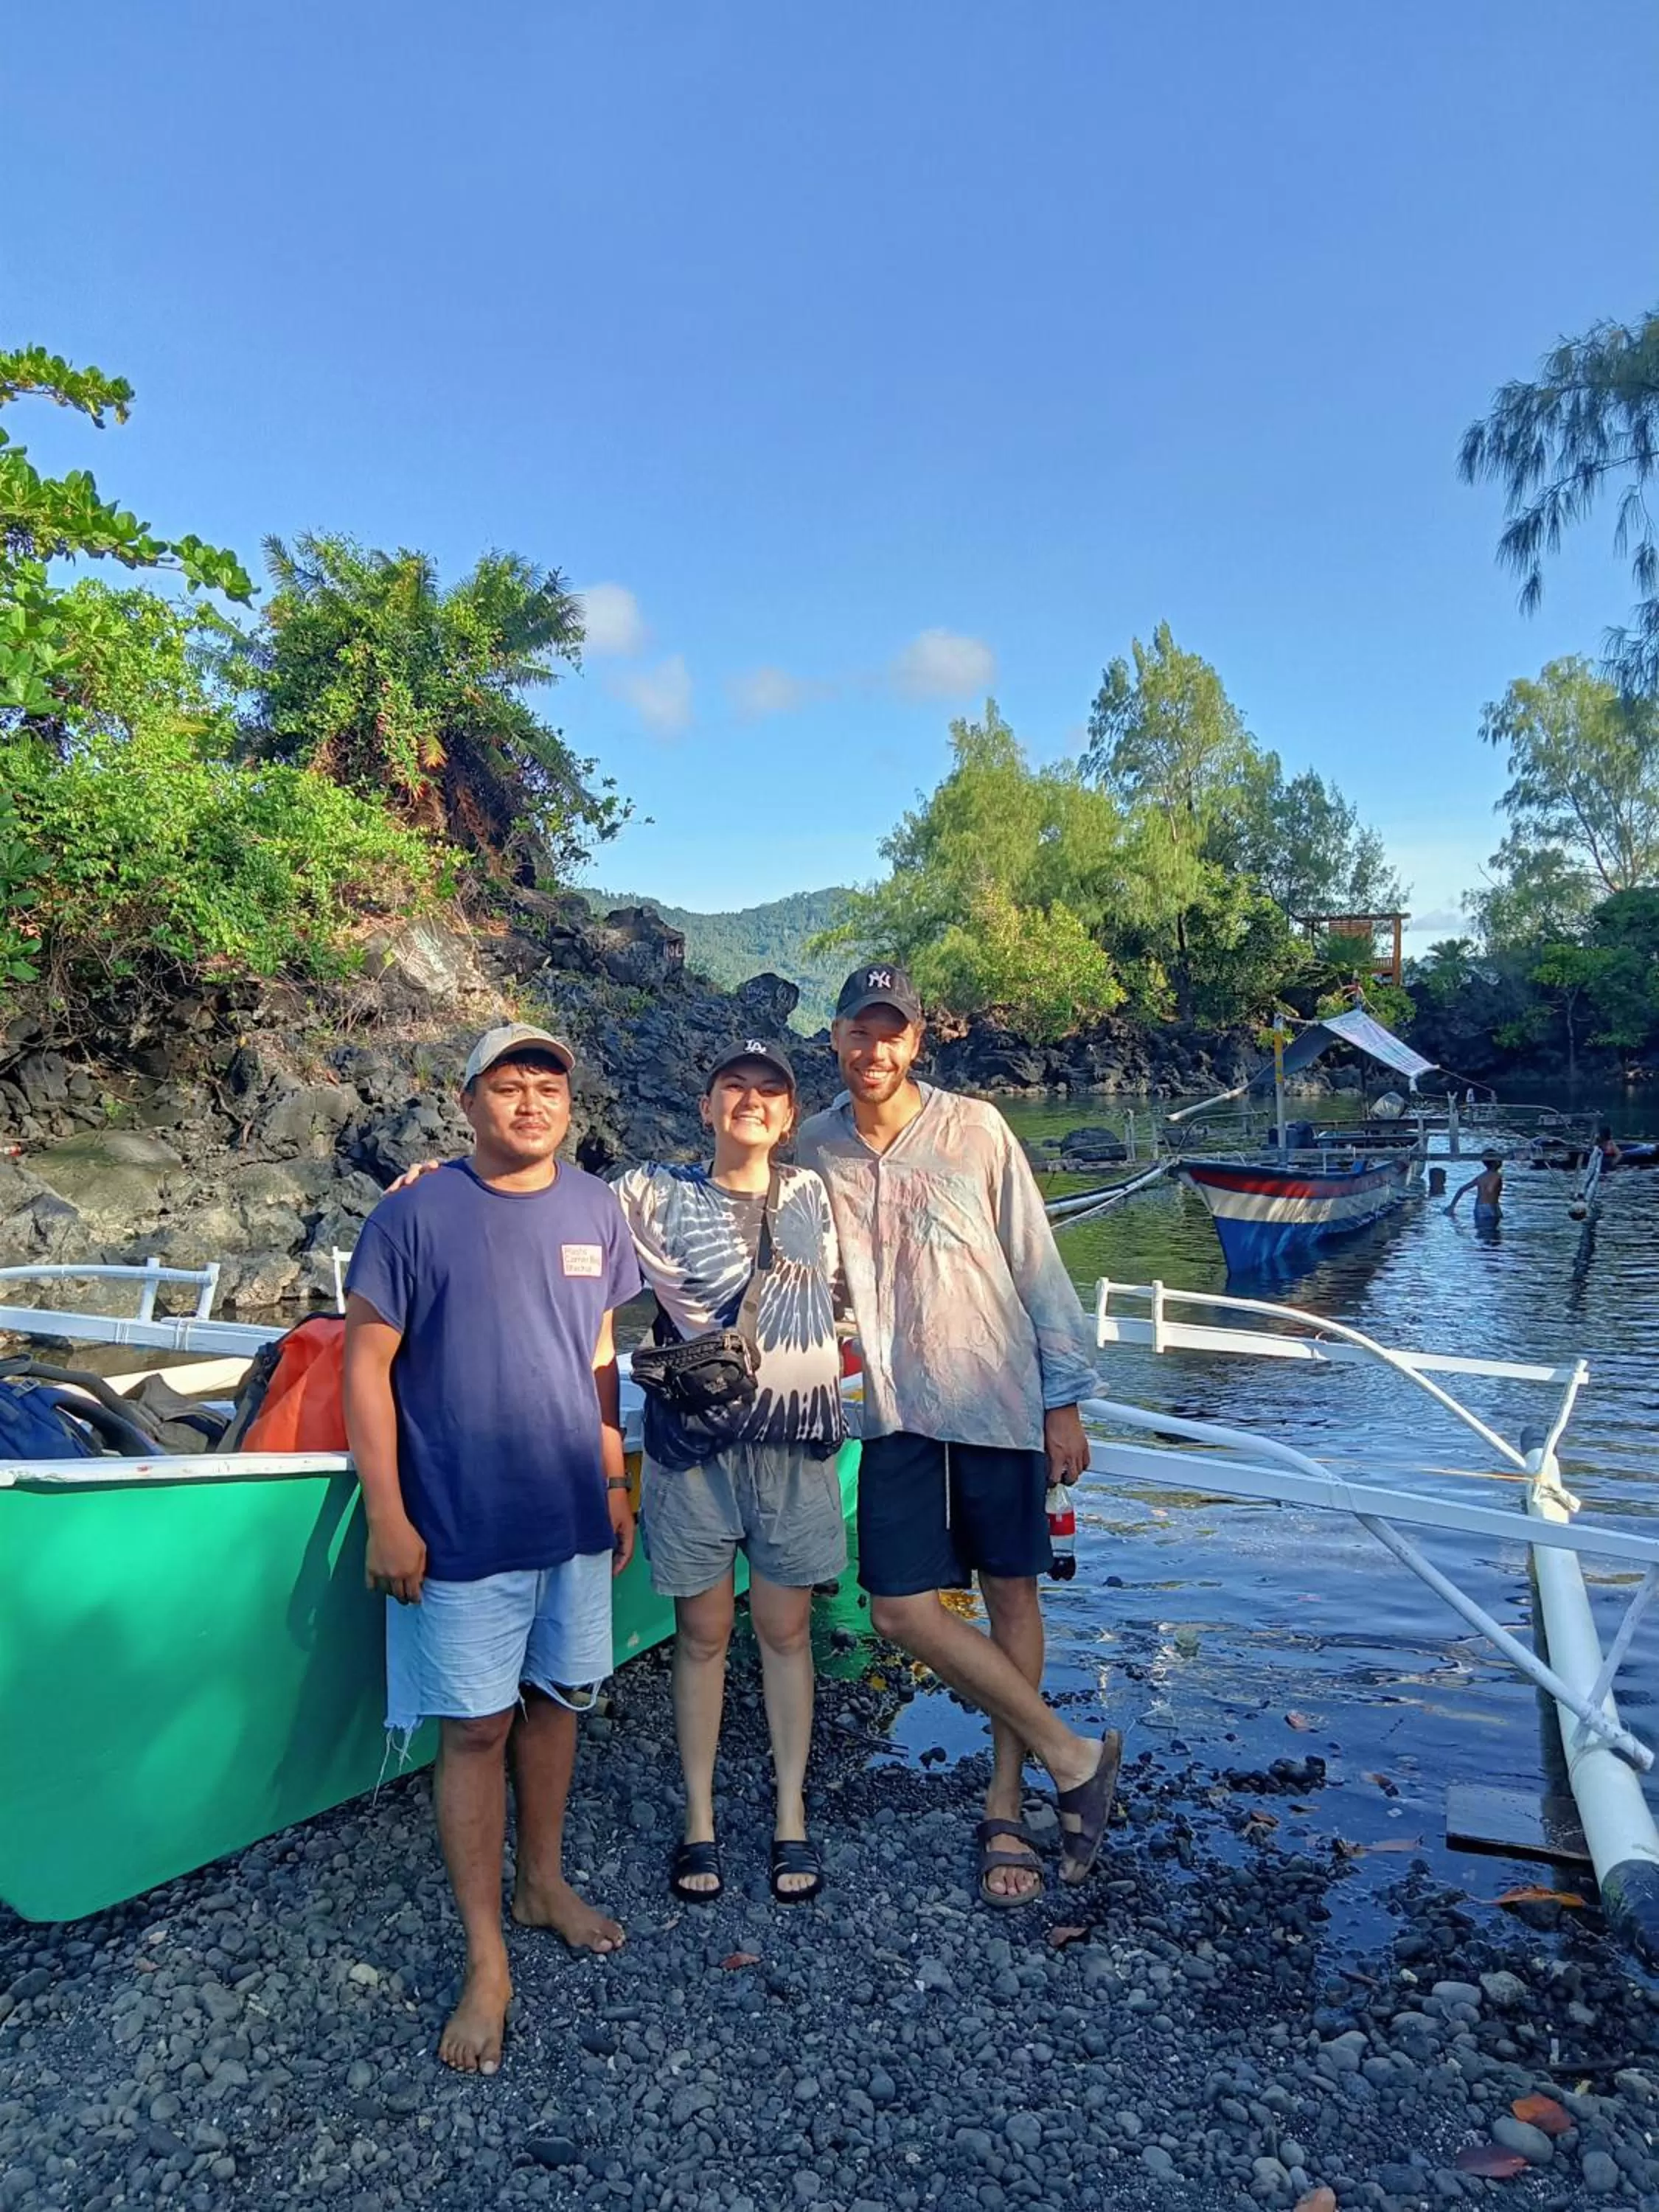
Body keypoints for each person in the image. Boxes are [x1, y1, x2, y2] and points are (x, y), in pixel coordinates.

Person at [342, 1022, 643, 2078]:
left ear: (570, 1106)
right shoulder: (412, 1216)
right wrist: (388, 1513)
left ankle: (542, 1882)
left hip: (567, 1513)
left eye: (547, 1088)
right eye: (507, 1086)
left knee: (559, 1701)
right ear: (466, 1102)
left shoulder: (596, 1210)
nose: (529, 1103)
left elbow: (599, 1355)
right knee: (473, 1731)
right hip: (458, 1523)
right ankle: (485, 1958)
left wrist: (614, 1477)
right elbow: (364, 1370)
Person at [796, 963, 1121, 1907]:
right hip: (894, 1407)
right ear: (837, 1040)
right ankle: (1073, 1756)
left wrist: (1064, 1399)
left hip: (997, 1392)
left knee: (1009, 1591)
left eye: (891, 1032)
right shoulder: (813, 1146)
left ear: (918, 1041)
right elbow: (731, 1187)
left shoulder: (975, 1128)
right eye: (859, 1030)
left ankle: (1007, 1803)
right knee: (898, 1605)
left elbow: (1037, 1258)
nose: (874, 1049)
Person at [613, 1040, 845, 1905]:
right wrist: (434, 1179)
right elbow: (550, 1208)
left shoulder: (817, 1191)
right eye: (733, 1089)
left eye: (769, 1092)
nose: (750, 1101)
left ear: (789, 1118)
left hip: (794, 1449)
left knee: (785, 1633)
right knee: (704, 1635)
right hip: (692, 1449)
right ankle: (699, 1821)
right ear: (708, 1107)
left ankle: (791, 1815)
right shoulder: (651, 1194)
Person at [1446, 1151, 1504, 1222]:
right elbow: (1490, 1190)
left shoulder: (1481, 1177)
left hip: (1479, 1208)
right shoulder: (1497, 1176)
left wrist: (1452, 1206)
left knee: (1481, 1230)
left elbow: (1462, 1189)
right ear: (1496, 1163)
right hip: (1491, 1207)